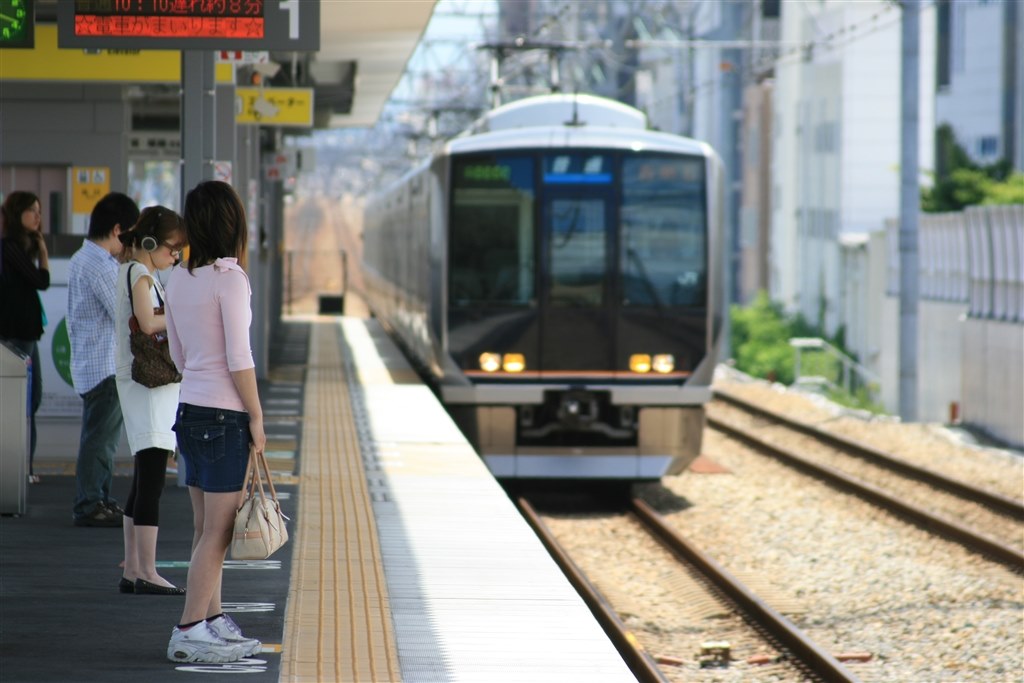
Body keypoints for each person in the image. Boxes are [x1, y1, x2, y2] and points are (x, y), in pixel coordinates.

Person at [164, 181, 263, 663]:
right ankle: (188, 630)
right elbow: (240, 357)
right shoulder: (231, 279)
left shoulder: (178, 279)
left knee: (205, 528)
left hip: (189, 411)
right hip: (225, 417)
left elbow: (178, 353)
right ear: (232, 224)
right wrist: (257, 417)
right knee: (218, 532)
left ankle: (211, 619)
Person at [115, 206, 187, 595]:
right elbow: (147, 322)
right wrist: (178, 313)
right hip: (146, 384)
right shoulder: (140, 275)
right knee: (152, 478)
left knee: (144, 475)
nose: (175, 257)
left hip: (143, 383)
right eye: (172, 249)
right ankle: (146, 570)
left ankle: (133, 569)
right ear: (149, 243)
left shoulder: (137, 272)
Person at [67, 192, 139, 527]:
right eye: (131, 233)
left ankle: (99, 498)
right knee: (101, 440)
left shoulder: (84, 258)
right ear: (117, 229)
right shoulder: (100, 266)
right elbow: (125, 314)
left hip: (91, 364)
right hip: (104, 366)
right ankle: (90, 503)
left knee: (99, 437)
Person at [0, 191, 50, 484]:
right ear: (17, 213)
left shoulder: (18, 247)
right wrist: (43, 253)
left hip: (26, 332)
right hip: (17, 334)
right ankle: (19, 469)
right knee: (23, 401)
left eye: (39, 210)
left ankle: (24, 468)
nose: (37, 216)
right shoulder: (10, 247)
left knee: (32, 398)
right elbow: (40, 281)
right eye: (32, 210)